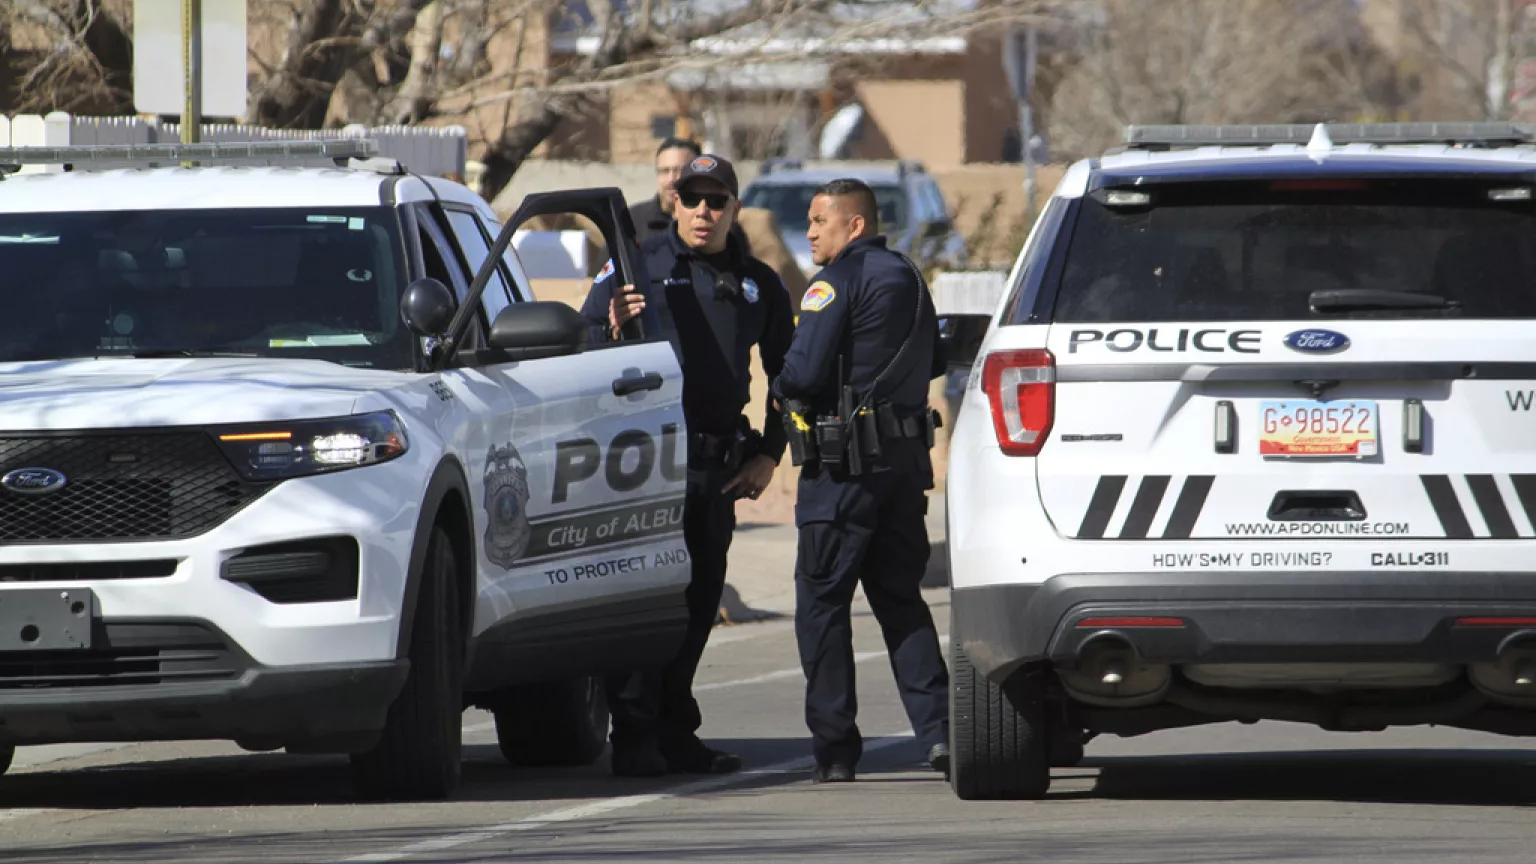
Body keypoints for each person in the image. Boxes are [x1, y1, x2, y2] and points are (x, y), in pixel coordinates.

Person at [583, 154, 795, 777]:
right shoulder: (634, 266)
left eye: (716, 200)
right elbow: (580, 347)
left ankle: (675, 731)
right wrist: (611, 330)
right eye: (692, 199)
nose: (704, 212)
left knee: (698, 605)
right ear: (672, 203)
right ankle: (634, 735)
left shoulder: (759, 283)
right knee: (646, 600)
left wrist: (768, 453)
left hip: (714, 464)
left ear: (734, 207)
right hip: (644, 463)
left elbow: (791, 375)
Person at [770, 178, 950, 784]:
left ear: (853, 225)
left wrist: (780, 387)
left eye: (820, 221)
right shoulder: (911, 278)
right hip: (902, 470)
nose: (811, 232)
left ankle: (836, 748)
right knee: (901, 602)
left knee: (821, 606)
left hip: (844, 472)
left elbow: (800, 372)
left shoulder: (835, 282)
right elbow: (935, 364)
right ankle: (943, 734)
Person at [629, 137, 750, 253]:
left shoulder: (728, 229)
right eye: (665, 171)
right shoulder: (632, 220)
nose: (671, 179)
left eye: (679, 170)